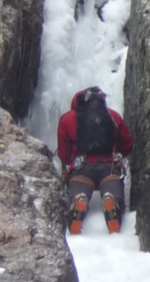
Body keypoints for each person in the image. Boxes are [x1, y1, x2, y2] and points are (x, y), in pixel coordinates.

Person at [57, 86, 134, 234]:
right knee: (113, 191)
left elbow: (63, 154)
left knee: (78, 189)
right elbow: (127, 144)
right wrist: (117, 156)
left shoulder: (67, 118)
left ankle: (78, 201)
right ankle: (112, 203)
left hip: (81, 169)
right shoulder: (112, 116)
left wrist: (70, 163)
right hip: (109, 166)